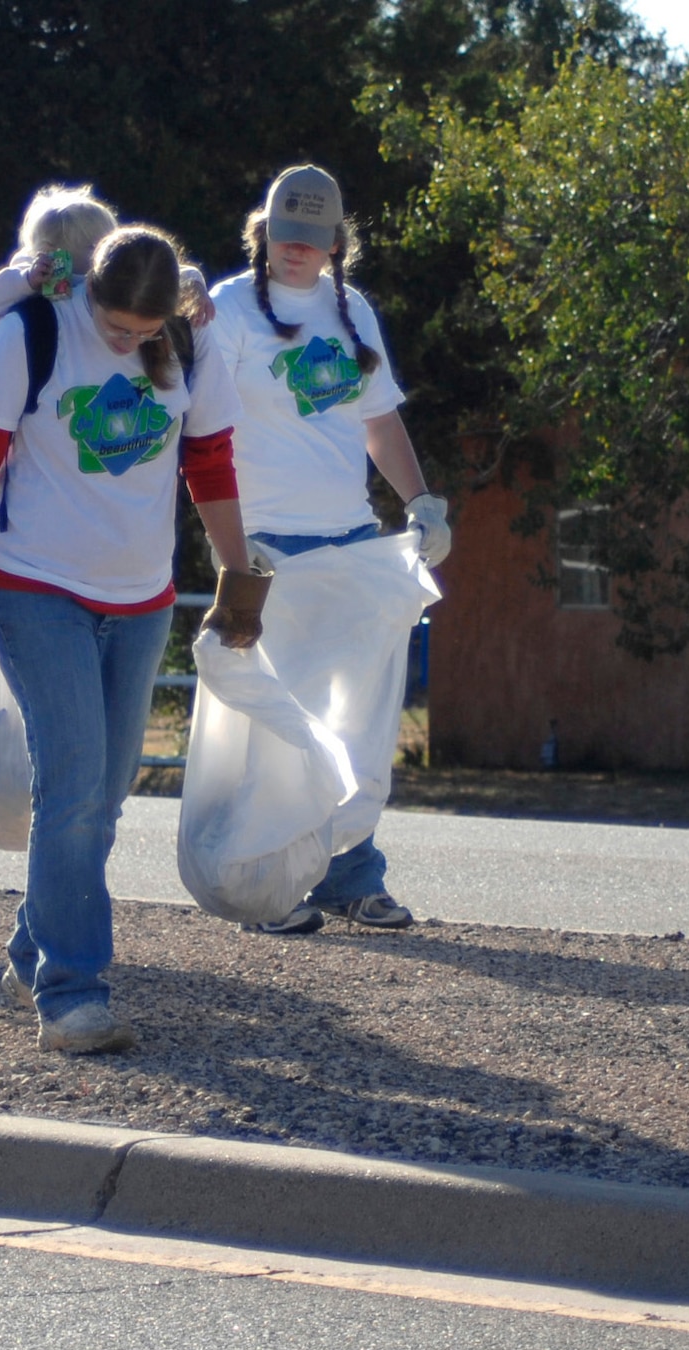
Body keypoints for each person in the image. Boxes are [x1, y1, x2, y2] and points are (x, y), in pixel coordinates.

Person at [0, 225, 267, 1054]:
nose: (129, 343)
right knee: (73, 787)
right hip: (34, 586)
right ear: (87, 290)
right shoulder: (31, 332)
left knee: (105, 797)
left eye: (145, 334)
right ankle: (72, 994)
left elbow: (210, 462)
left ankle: (32, 944)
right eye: (117, 327)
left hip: (141, 596)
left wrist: (238, 575)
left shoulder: (189, 336)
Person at [207, 164, 451, 934]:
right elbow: (201, 432)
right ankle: (266, 886)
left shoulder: (354, 313)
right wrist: (234, 547)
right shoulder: (229, 309)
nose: (295, 252)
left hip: (350, 539)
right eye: (284, 236)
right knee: (283, 725)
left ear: (336, 244)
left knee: (356, 721)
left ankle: (351, 876)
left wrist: (420, 500)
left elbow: (379, 423)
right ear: (263, 232)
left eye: (311, 241)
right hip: (269, 546)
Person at [0, 183, 215, 330]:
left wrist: (194, 282)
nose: (99, 257)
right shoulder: (32, 273)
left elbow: (158, 273)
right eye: (90, 248)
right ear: (48, 251)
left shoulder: (112, 273)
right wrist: (27, 280)